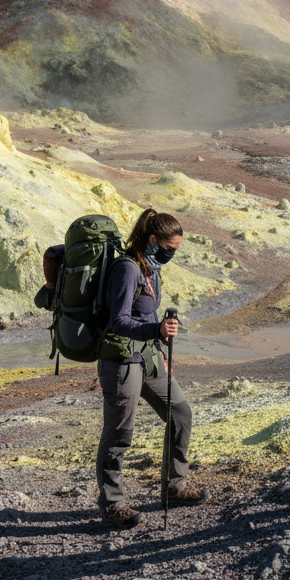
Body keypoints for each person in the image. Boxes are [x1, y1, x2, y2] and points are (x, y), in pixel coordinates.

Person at [96, 208, 208, 528]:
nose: (171, 254)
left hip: (150, 358)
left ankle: (175, 486)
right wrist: (156, 331)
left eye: (176, 250)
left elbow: (145, 317)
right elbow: (118, 322)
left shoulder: (152, 269)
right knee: (119, 434)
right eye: (169, 248)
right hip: (122, 362)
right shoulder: (127, 270)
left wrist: (160, 346)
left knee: (180, 413)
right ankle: (113, 503)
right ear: (152, 239)